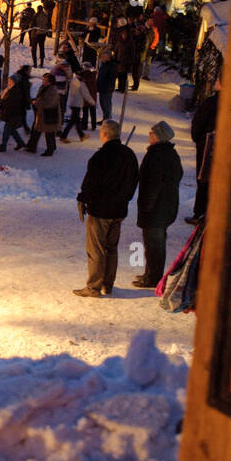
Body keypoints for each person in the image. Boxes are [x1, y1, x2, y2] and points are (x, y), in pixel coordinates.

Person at [74, 120, 139, 297]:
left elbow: (90, 183)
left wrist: (83, 199)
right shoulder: (129, 155)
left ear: (104, 134)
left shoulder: (100, 157)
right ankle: (107, 284)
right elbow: (133, 182)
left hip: (100, 211)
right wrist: (124, 199)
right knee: (111, 248)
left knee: (96, 249)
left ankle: (94, 287)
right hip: (119, 211)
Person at [133, 121, 184, 288]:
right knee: (155, 243)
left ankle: (153, 277)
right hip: (166, 206)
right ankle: (151, 273)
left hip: (156, 209)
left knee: (154, 245)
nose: (149, 135)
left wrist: (147, 206)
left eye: (151, 133)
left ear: (158, 136)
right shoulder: (170, 154)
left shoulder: (156, 156)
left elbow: (153, 184)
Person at [187, 73, 221, 223]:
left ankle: (199, 213)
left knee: (203, 178)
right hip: (221, 146)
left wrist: (198, 139)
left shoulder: (212, 102)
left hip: (208, 145)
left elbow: (198, 123)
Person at [0, 75, 30, 152]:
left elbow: (11, 101)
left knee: (7, 129)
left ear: (14, 81)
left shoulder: (15, 90)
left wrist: (0, 101)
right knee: (12, 130)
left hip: (13, 113)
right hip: (10, 113)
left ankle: (3, 146)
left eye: (10, 80)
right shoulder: (10, 88)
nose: (9, 81)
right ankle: (20, 143)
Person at [31, 71, 62, 155]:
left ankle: (50, 150)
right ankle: (33, 146)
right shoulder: (44, 87)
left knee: (49, 133)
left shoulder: (52, 90)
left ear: (50, 81)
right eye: (43, 79)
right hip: (43, 114)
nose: (43, 81)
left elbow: (48, 103)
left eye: (44, 80)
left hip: (49, 114)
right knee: (40, 131)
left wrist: (36, 103)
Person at [60, 67, 92, 142]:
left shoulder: (73, 80)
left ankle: (81, 135)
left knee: (77, 120)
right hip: (77, 104)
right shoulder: (81, 83)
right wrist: (92, 102)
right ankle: (63, 136)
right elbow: (86, 94)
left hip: (72, 102)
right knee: (72, 121)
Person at [96, 50, 117, 125]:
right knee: (102, 104)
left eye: (103, 57)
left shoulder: (111, 66)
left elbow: (110, 78)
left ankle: (107, 120)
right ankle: (105, 119)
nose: (101, 58)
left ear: (108, 57)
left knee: (106, 104)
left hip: (107, 88)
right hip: (102, 87)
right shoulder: (104, 64)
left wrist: (108, 87)